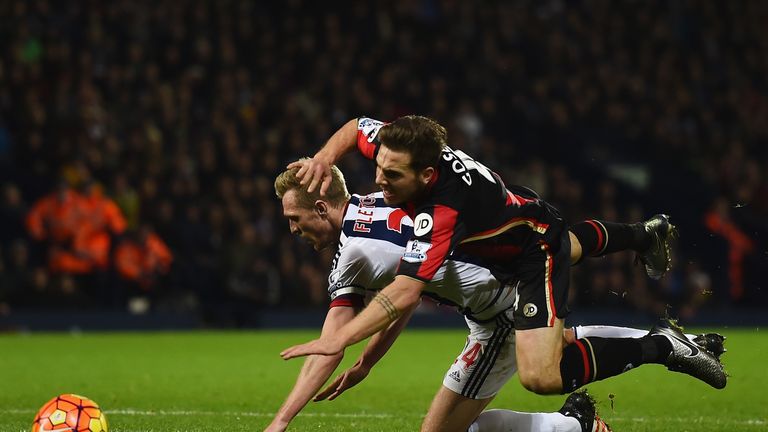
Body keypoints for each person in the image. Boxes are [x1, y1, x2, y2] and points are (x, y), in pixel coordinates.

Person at [281, 116, 726, 399]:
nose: (378, 181)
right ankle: (643, 235)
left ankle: (663, 346)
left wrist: (340, 342)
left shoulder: (441, 211)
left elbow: (403, 294)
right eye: (378, 166)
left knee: (541, 375)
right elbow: (358, 126)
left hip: (529, 252)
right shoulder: (405, 148)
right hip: (518, 224)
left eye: (391, 174)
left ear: (427, 175)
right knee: (570, 244)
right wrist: (323, 158)